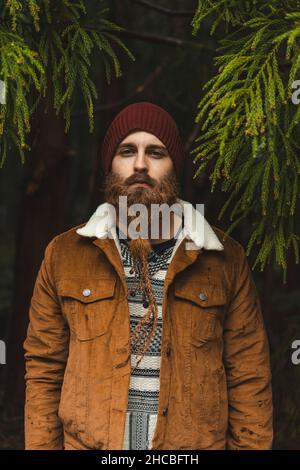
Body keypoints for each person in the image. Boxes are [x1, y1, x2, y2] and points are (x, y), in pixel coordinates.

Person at [24, 101, 273, 450]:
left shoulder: (224, 259)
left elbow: (248, 375)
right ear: (110, 163)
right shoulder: (64, 255)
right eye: (127, 151)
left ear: (174, 167)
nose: (140, 164)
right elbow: (44, 369)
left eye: (156, 152)